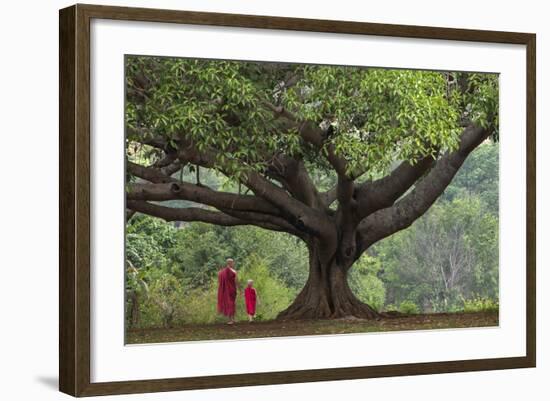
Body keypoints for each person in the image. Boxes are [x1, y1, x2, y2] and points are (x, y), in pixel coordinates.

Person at [217, 258, 238, 324]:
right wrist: (238, 288)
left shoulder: (222, 272)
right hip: (231, 290)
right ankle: (231, 320)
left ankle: (232, 319)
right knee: (230, 304)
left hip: (228, 290)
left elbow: (219, 280)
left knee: (231, 304)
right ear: (230, 263)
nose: (233, 264)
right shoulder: (233, 271)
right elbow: (236, 281)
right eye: (232, 262)